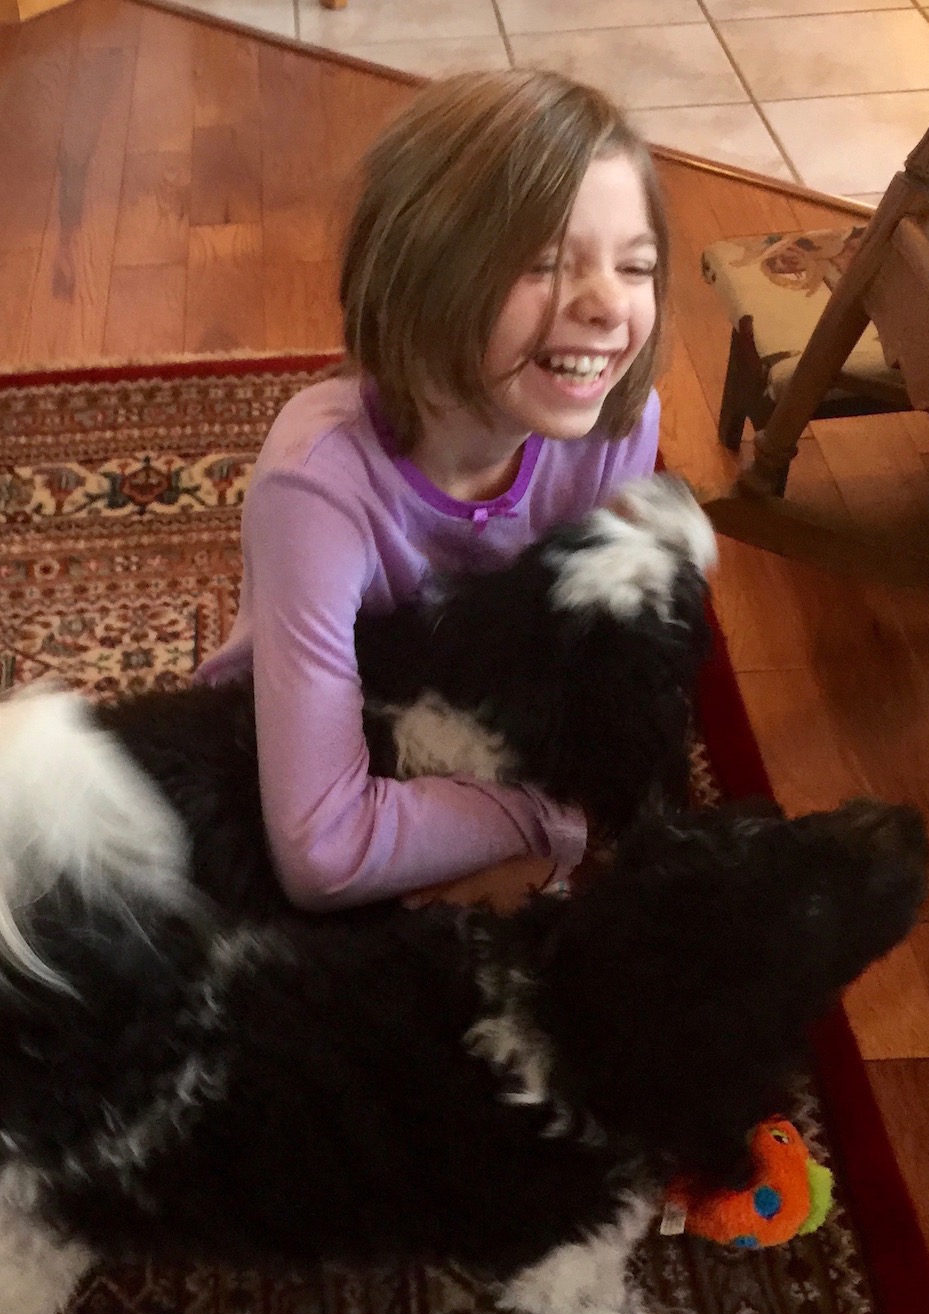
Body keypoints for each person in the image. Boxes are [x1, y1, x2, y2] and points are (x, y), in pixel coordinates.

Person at [195, 69, 669, 912]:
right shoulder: (318, 479)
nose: (607, 304)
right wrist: (553, 823)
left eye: (636, 266)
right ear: (422, 279)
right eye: (547, 265)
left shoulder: (619, 428)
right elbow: (324, 849)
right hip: (330, 753)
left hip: (472, 743)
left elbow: (595, 679)